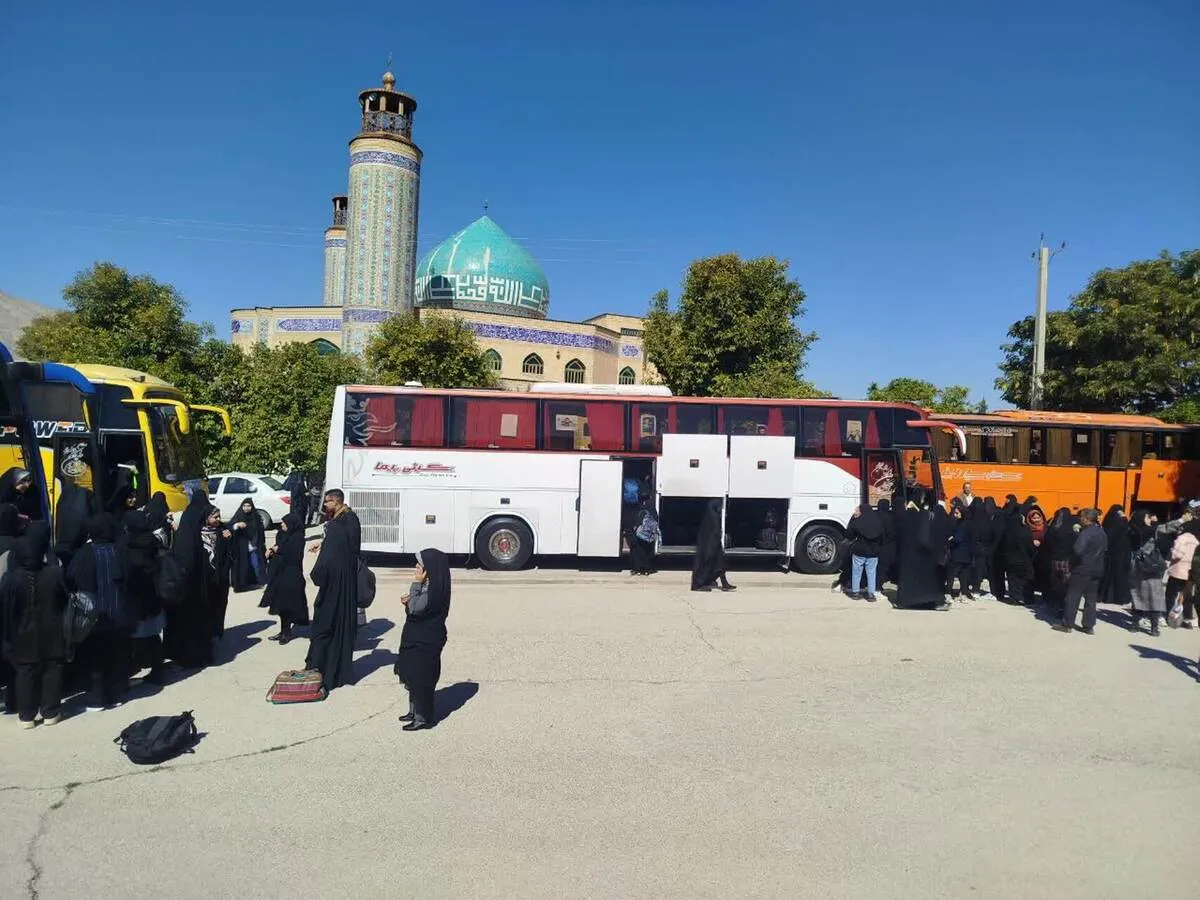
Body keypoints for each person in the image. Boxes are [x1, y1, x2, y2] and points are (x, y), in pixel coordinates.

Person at [0, 523, 66, 728]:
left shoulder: (11, 579)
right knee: (52, 669)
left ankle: (27, 716)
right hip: (52, 631)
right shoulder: (54, 573)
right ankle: (50, 712)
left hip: (22, 634)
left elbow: (5, 610)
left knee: (24, 674)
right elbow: (64, 601)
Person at [67, 514, 133, 708]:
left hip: (92, 617)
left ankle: (96, 699)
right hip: (118, 613)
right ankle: (117, 693)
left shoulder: (85, 553)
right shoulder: (120, 550)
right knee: (116, 655)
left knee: (94, 658)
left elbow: (72, 578)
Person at [395, 548, 452, 731]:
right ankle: (414, 711)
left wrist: (415, 585)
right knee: (411, 673)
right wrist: (412, 597)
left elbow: (415, 608)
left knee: (421, 677)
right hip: (416, 638)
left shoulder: (433, 591)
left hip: (426, 641)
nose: (417, 567)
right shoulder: (431, 586)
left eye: (420, 564)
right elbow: (415, 606)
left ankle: (423, 717)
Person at [304, 507, 358, 694]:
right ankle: (335, 673)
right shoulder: (344, 540)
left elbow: (320, 572)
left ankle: (318, 671)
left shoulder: (336, 533)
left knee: (323, 631)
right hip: (344, 592)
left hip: (330, 594)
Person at [165, 491, 218, 668]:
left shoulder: (186, 531)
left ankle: (187, 656)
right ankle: (199, 655)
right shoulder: (195, 535)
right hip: (196, 588)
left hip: (187, 589)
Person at [122, 504, 167, 684]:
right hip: (153, 595)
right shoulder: (152, 541)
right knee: (153, 634)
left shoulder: (128, 544)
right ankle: (157, 668)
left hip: (135, 596)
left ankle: (140, 665)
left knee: (134, 635)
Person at [1054, 508, 1107, 635]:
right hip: (1097, 568)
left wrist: (1072, 561)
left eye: (1082, 517)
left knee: (1073, 596)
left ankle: (1068, 624)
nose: (1080, 519)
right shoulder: (1101, 532)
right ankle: (1088, 626)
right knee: (1091, 598)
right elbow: (1105, 549)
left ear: (1087, 519)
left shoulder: (1086, 533)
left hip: (1082, 569)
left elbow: (1077, 550)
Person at [894, 492, 951, 610]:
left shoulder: (903, 516)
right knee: (927, 581)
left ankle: (904, 602)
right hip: (923, 554)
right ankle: (932, 601)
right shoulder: (924, 516)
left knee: (908, 580)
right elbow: (925, 538)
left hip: (907, 554)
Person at [260, 512, 309, 644]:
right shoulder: (282, 535)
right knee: (281, 605)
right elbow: (278, 548)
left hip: (292, 575)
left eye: (284, 522)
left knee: (288, 605)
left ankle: (286, 633)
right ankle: (283, 631)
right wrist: (272, 551)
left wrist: (278, 549)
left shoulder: (298, 538)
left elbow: (294, 555)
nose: (281, 524)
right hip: (279, 574)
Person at [1128, 509, 1166, 635]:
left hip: (1138, 568)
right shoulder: (1150, 531)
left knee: (1138, 596)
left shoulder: (1131, 531)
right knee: (1155, 598)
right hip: (1152, 568)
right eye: (1147, 517)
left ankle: (1135, 624)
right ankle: (1154, 628)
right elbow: (1164, 535)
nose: (1150, 519)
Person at [691, 499, 735, 592]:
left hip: (714, 542)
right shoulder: (712, 517)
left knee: (720, 562)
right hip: (710, 543)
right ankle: (699, 584)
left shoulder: (712, 515)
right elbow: (714, 531)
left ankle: (724, 583)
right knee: (708, 562)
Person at [845, 503, 885, 602]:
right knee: (871, 573)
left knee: (856, 572)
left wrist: (853, 518)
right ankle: (871, 594)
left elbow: (850, 534)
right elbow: (882, 536)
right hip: (873, 551)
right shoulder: (877, 521)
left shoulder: (858, 521)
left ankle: (856, 592)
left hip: (859, 550)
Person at [1042, 508, 1078, 612]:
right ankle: (1064, 606)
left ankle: (1055, 604)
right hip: (1067, 561)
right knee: (1066, 585)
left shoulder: (1053, 528)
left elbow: (1047, 542)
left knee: (1055, 585)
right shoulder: (1072, 530)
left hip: (1054, 560)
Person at [1165, 520, 1199, 628]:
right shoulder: (1196, 540)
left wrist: (1171, 552)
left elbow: (1177, 554)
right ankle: (1186, 619)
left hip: (1178, 571)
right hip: (1190, 572)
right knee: (1186, 596)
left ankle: (1169, 616)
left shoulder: (1182, 538)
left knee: (1171, 594)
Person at [227, 498, 266, 592]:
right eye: (244, 506)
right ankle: (242, 584)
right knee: (242, 566)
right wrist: (237, 525)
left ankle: (257, 581)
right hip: (241, 547)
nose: (246, 508)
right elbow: (230, 526)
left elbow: (260, 530)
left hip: (254, 546)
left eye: (248, 506)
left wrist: (261, 543)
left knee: (255, 565)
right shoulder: (238, 515)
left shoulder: (256, 516)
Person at [1002, 505, 1037, 606]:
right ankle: (1028, 598)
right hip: (1024, 559)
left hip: (1010, 559)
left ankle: (1014, 598)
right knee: (1027, 578)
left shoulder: (1007, 531)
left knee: (1012, 579)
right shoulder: (1025, 530)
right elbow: (1030, 546)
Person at [1099, 505, 1131, 607]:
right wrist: (1124, 519)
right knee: (1118, 575)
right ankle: (1118, 597)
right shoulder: (1121, 524)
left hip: (1112, 554)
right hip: (1119, 554)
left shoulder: (1109, 522)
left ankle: (1106, 596)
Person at [944, 504, 975, 601]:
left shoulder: (962, 524)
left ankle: (948, 593)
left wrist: (950, 540)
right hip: (967, 554)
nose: (955, 515)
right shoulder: (969, 523)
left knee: (951, 574)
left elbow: (957, 539)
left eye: (957, 513)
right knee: (963, 576)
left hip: (958, 553)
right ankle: (963, 594)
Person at [968, 498, 998, 600]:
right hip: (985, 548)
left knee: (973, 569)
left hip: (973, 547)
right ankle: (978, 590)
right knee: (981, 570)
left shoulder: (971, 518)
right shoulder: (987, 519)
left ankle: (972, 589)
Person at [628, 491, 660, 576]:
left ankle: (638, 569)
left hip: (639, 535)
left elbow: (638, 522)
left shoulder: (642, 509)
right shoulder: (651, 507)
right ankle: (645, 569)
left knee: (637, 551)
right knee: (646, 552)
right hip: (648, 535)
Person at [876, 499, 897, 589]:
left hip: (873, 545)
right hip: (885, 546)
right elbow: (891, 533)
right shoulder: (889, 517)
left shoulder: (874, 515)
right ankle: (878, 585)